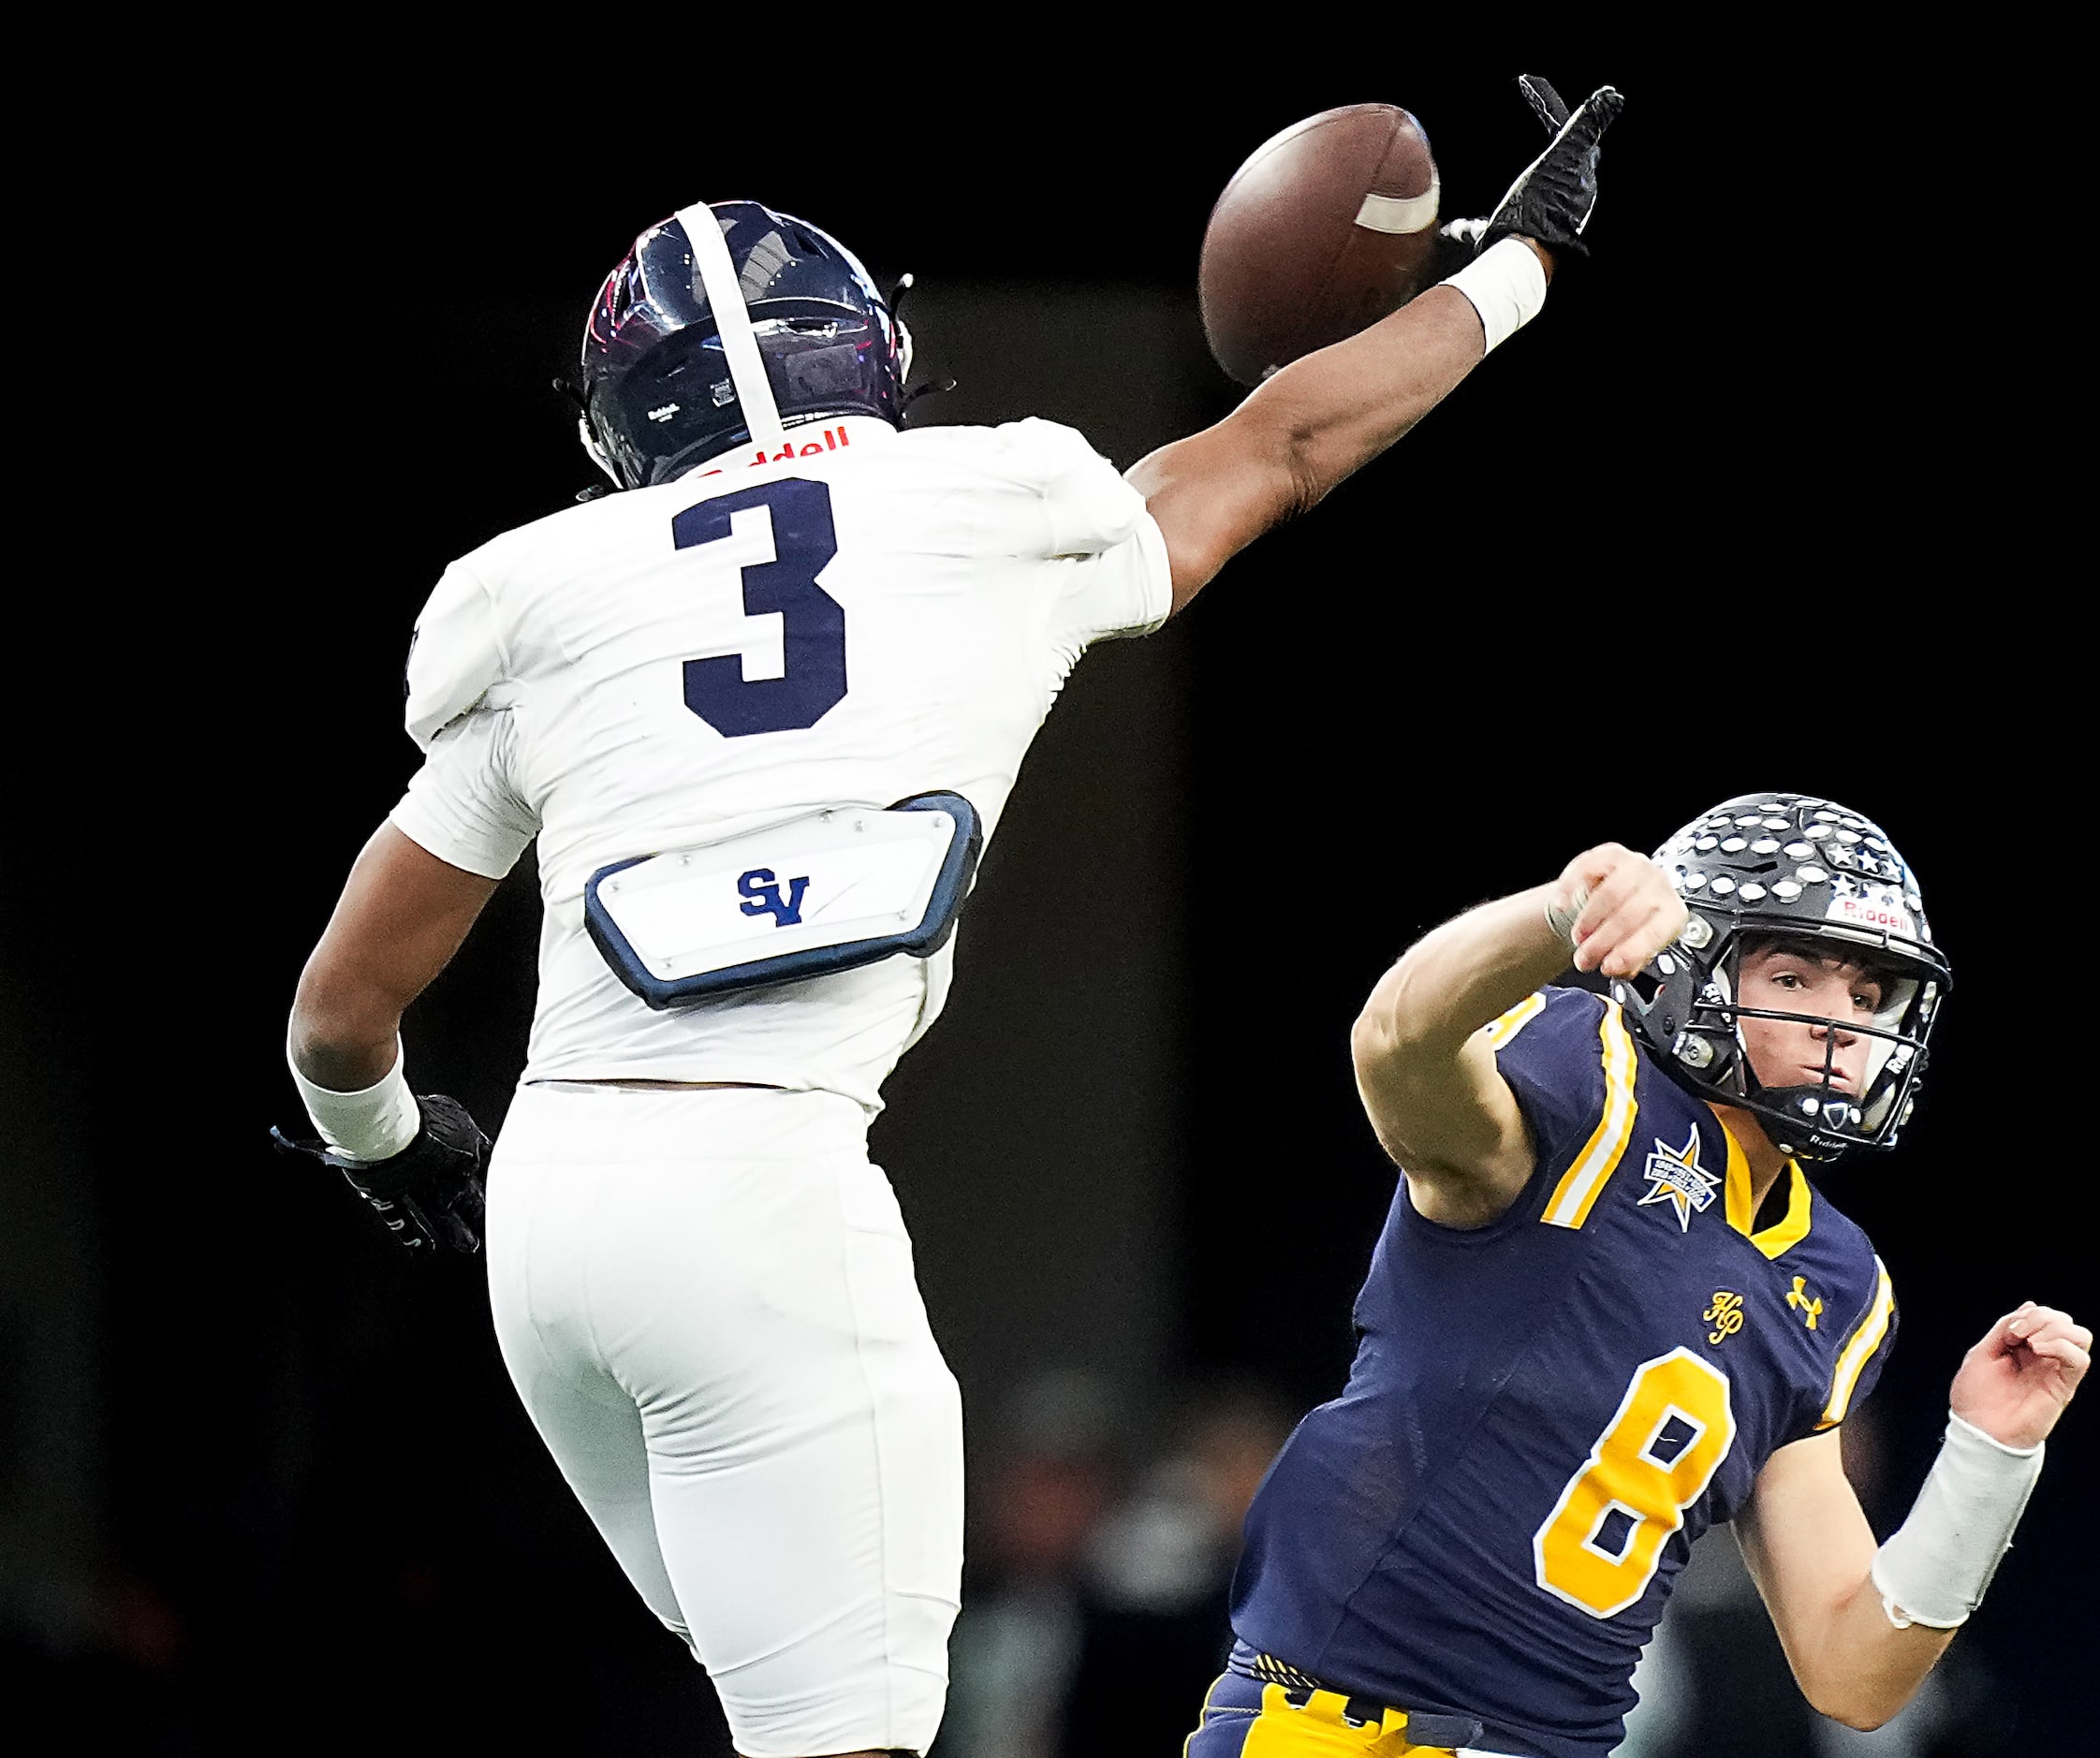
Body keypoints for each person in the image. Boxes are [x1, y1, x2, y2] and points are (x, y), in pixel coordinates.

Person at [270, 77, 1626, 1758]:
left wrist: (394, 1147)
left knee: (782, 1706)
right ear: (864, 352)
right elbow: (1281, 440)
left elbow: (339, 1014)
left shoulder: (548, 596)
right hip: (761, 1194)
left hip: (554, 1214)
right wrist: (1511, 276)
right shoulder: (994, 504)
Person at [1188, 794, 2095, 1757]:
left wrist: (1990, 1460)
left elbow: (1852, 1671)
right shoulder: (1592, 1096)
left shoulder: (1835, 1283)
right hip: (1344, 1729)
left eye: (1868, 998)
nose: (1842, 1025)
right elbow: (1398, 1043)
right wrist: (1556, 912)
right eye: (1797, 977)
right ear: (1688, 967)